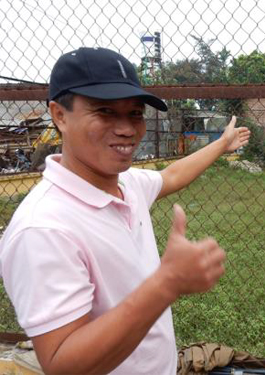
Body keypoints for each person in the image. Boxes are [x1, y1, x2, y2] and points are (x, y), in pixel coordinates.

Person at [0, 47, 250, 375]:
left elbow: (171, 176)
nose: (127, 129)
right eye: (104, 111)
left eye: (135, 113)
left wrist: (221, 143)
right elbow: (63, 364)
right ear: (59, 115)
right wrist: (166, 284)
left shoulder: (126, 185)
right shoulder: (44, 228)